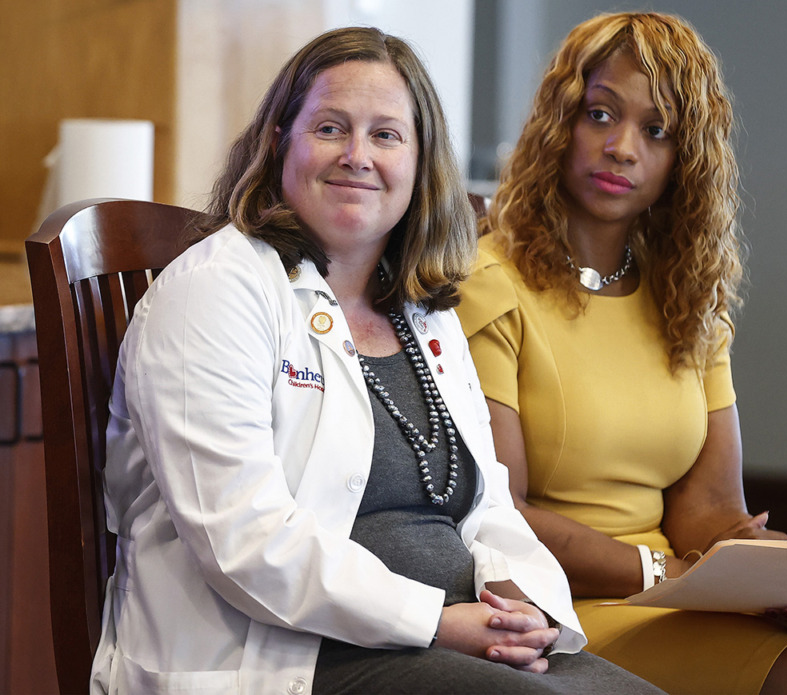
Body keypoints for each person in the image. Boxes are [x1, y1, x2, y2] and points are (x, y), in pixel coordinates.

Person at [90, 26, 665, 695]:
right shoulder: (214, 291)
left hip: (446, 636)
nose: (357, 156)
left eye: (387, 135)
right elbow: (244, 541)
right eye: (331, 128)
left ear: (421, 164)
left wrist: (520, 601)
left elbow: (487, 505)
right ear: (280, 142)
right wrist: (437, 621)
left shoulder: (423, 309)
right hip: (295, 651)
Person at [456, 11, 787, 695]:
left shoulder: (688, 296)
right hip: (568, 598)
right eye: (600, 114)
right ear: (560, 121)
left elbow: (706, 506)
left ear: (684, 160)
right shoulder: (491, 281)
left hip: (682, 585)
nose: (624, 147)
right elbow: (503, 510)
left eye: (657, 131)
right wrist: (667, 575)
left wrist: (777, 576)